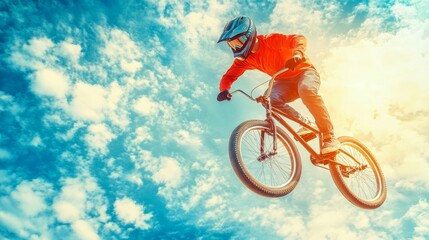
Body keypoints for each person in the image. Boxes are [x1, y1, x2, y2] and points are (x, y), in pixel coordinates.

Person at [216, 16, 340, 155]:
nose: (237, 47)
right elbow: (229, 76)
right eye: (232, 45)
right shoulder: (245, 60)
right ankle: (306, 124)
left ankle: (329, 136)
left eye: (238, 42)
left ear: (248, 34)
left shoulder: (270, 40)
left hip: (304, 71)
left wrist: (298, 55)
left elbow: (298, 39)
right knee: (270, 101)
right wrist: (224, 89)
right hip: (284, 81)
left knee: (306, 90)